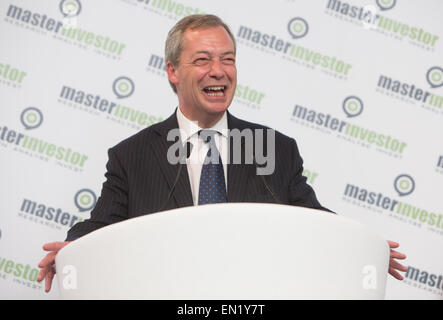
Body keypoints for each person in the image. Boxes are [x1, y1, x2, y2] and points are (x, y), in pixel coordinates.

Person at [37, 14, 407, 292]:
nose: (218, 71)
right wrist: (70, 248)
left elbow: (316, 221)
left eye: (227, 59)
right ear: (172, 71)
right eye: (202, 60)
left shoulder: (276, 149)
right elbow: (102, 226)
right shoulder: (131, 156)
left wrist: (364, 246)